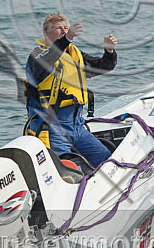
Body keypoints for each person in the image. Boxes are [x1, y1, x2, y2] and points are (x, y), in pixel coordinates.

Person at [24, 13, 118, 167]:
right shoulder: (37, 56)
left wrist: (109, 52)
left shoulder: (75, 54)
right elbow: (47, 60)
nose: (63, 31)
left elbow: (102, 66)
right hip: (53, 126)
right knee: (64, 169)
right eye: (58, 28)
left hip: (77, 125)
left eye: (66, 28)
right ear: (46, 33)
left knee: (107, 160)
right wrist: (66, 39)